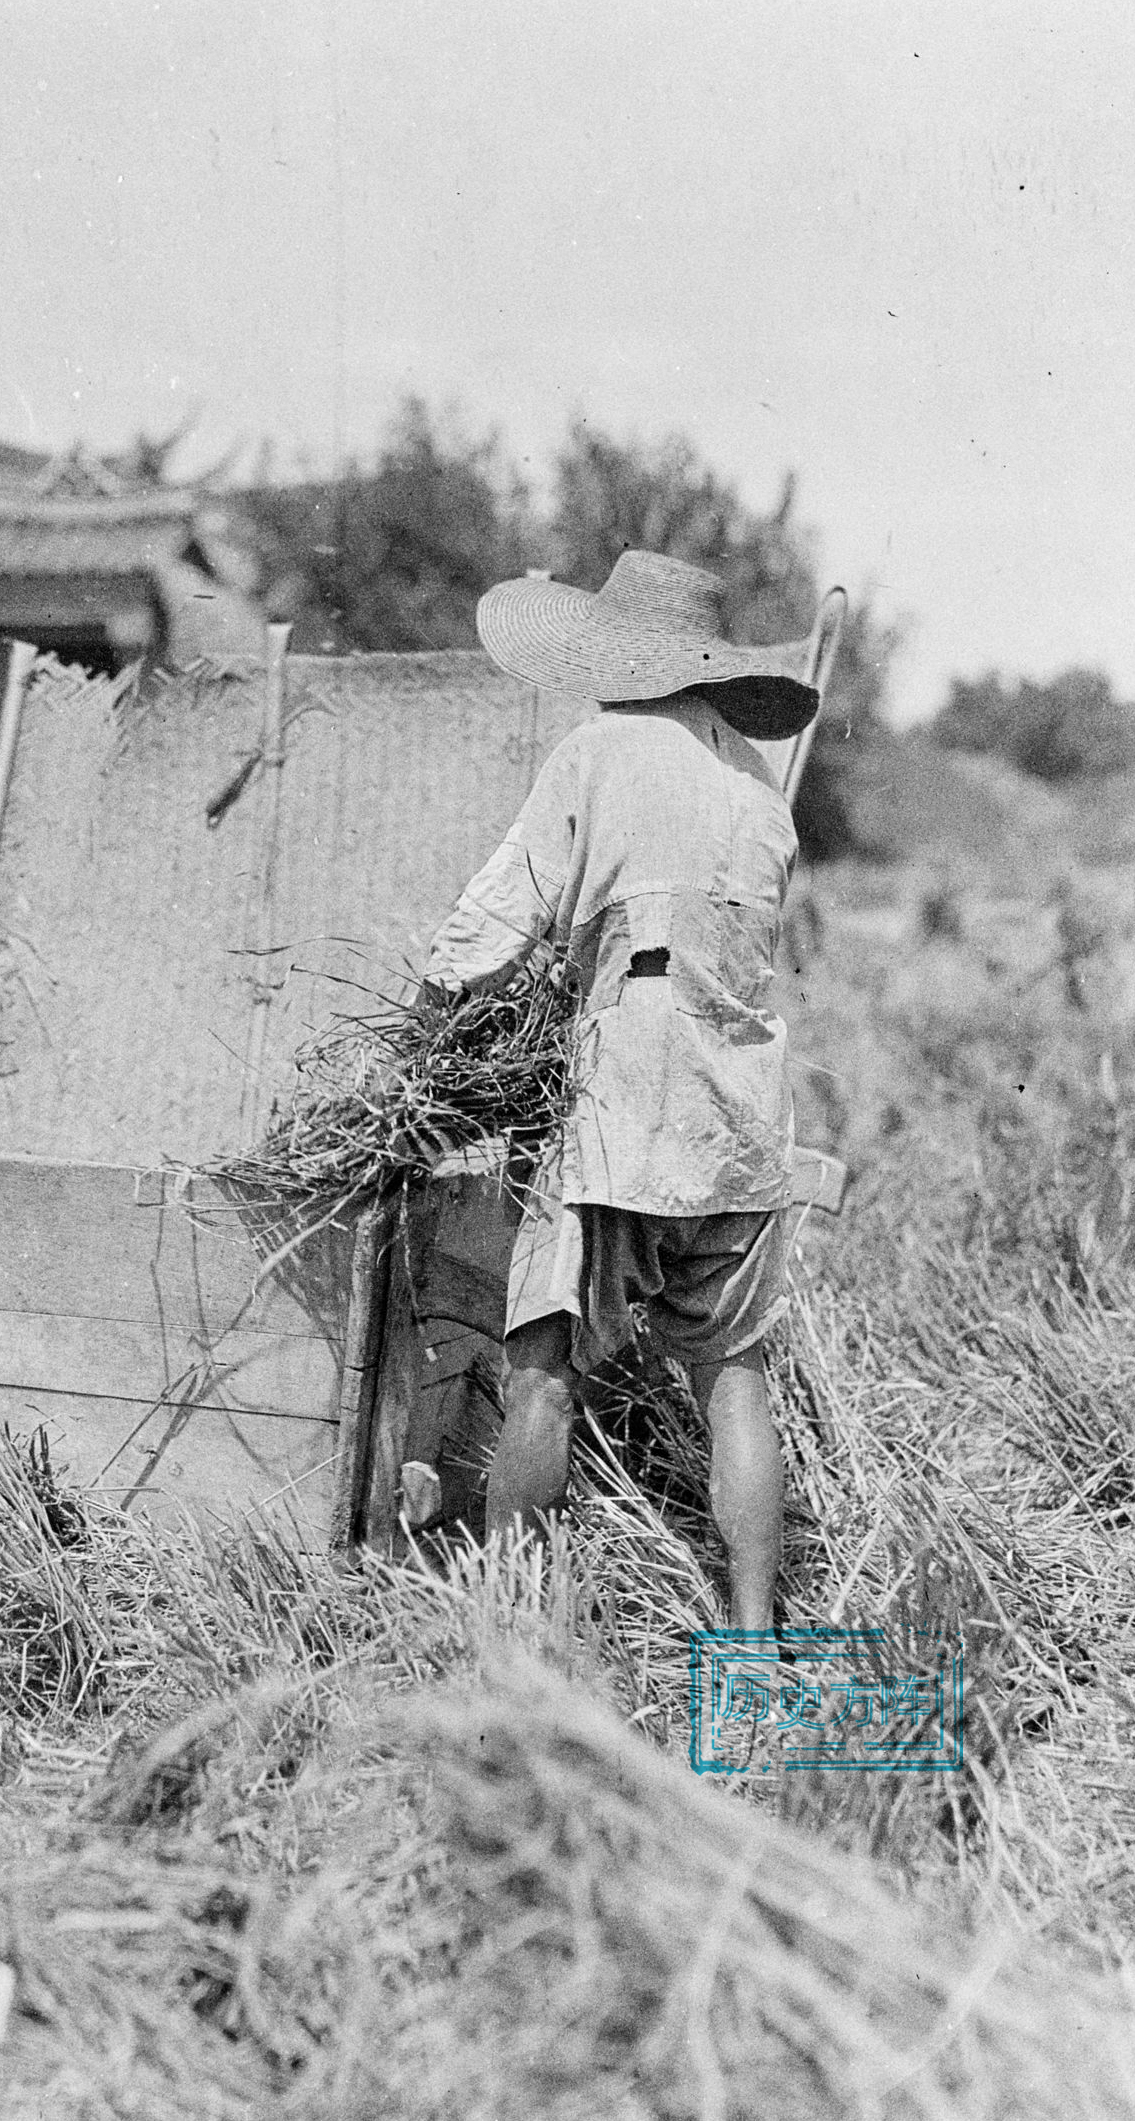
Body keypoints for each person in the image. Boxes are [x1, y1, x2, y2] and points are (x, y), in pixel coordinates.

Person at [405, 550, 820, 1635]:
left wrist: (424, 1033)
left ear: (627, 659)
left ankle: (509, 1631)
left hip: (628, 1094)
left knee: (540, 1365)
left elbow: (494, 924)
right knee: (733, 1375)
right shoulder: (758, 787)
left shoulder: (596, 752)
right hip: (740, 1106)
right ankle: (752, 1639)